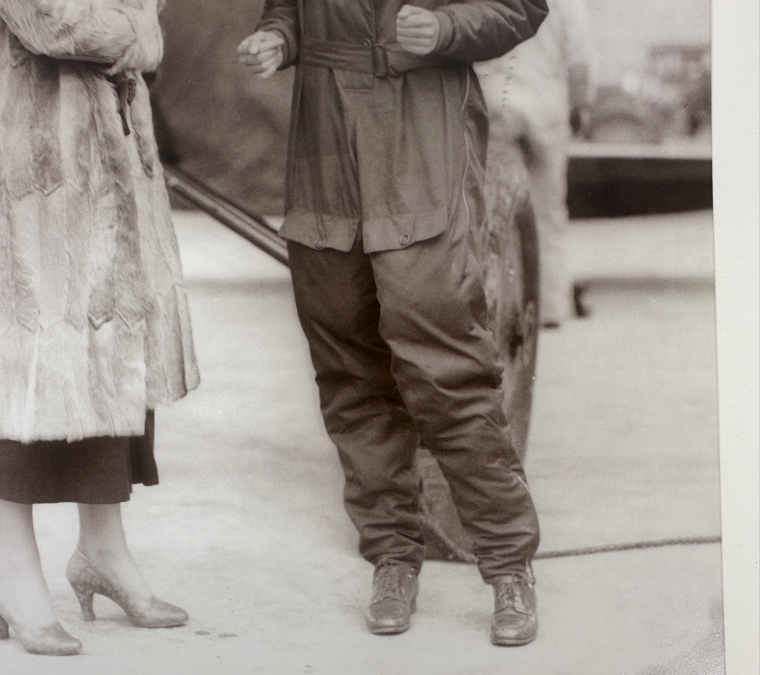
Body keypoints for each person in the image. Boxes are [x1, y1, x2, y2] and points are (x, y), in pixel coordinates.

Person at [239, 0, 545, 646]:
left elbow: (522, 7)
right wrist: (278, 39)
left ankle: (509, 563)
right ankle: (392, 556)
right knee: (347, 365)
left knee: (444, 365)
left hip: (421, 136)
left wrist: (445, 30)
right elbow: (289, 10)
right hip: (325, 146)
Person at [0, 0, 199, 656]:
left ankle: (103, 548)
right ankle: (12, 567)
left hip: (107, 143)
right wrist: (136, 29)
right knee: (27, 365)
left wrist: (138, 20)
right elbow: (48, 18)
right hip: (29, 153)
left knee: (113, 350)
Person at [475, 0, 595, 327]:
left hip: (496, 101)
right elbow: (580, 63)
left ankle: (494, 306)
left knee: (492, 211)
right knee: (548, 214)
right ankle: (550, 307)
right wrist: (580, 109)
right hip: (546, 108)